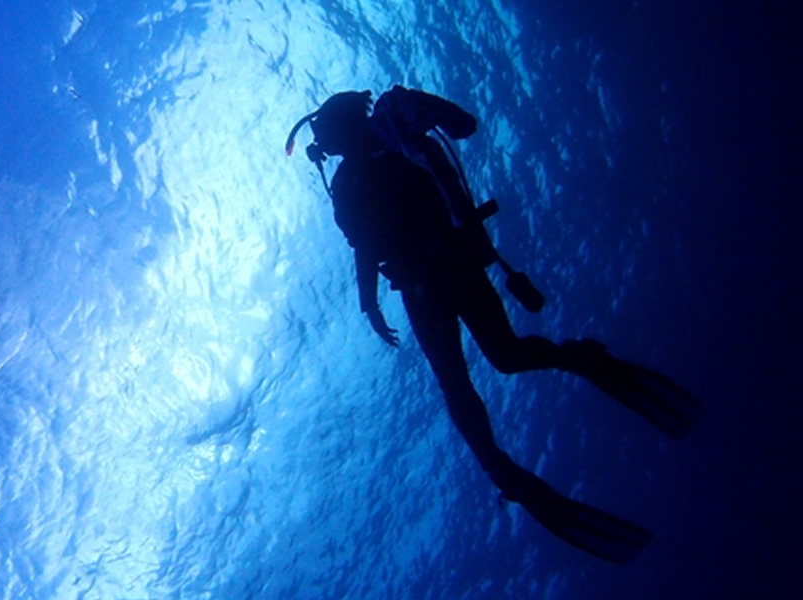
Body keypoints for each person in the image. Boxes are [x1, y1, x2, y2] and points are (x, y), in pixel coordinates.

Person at [285, 87, 703, 565]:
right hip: (447, 271)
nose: (322, 146)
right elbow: (368, 240)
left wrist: (370, 304)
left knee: (476, 371)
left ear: (339, 129)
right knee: (500, 359)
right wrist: (369, 305)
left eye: (324, 135)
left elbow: (365, 245)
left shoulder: (369, 164)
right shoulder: (381, 156)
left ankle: (507, 456)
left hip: (431, 281)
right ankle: (569, 370)